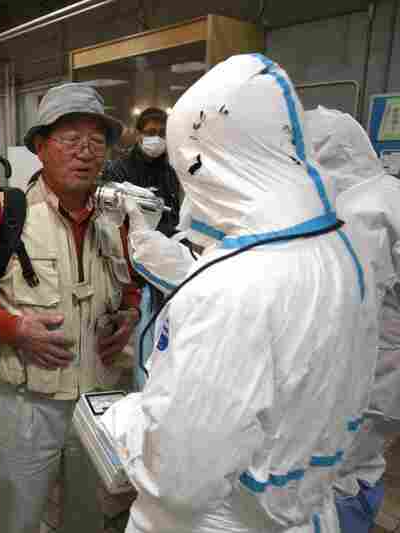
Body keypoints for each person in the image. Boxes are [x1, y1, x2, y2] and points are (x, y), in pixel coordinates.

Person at [98, 54, 374, 533]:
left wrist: (124, 420)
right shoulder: (340, 249)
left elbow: (179, 479)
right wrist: (143, 233)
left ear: (206, 161)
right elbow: (211, 275)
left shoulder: (235, 291)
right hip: (301, 505)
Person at [0, 82, 142, 533]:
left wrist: (128, 316)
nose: (85, 152)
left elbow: (132, 287)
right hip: (25, 406)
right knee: (15, 520)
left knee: (88, 519)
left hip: (98, 404)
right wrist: (13, 327)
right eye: (71, 139)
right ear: (40, 146)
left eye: (96, 141)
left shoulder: (118, 218)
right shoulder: (5, 212)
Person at [306, 106, 400, 533]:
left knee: (338, 473)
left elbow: (345, 302)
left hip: (370, 372)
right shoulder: (387, 194)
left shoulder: (361, 211)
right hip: (381, 374)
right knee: (362, 465)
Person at [102, 107, 181, 236]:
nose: (157, 137)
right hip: (130, 245)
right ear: (139, 134)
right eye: (151, 132)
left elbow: (174, 216)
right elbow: (112, 219)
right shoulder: (119, 169)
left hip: (166, 246)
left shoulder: (170, 172)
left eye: (162, 133)